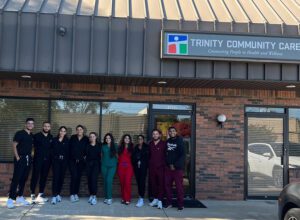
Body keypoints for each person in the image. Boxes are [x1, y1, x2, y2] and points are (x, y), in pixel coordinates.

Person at [6, 118, 35, 209]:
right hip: (21, 158)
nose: (30, 125)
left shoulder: (31, 135)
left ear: (33, 125)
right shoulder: (20, 133)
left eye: (32, 123)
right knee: (16, 178)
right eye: (29, 123)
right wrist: (18, 157)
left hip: (28, 159)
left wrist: (31, 156)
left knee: (24, 178)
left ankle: (20, 197)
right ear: (25, 124)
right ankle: (10, 199)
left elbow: (32, 148)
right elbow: (14, 145)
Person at [30, 121, 53, 204]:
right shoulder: (36, 136)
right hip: (37, 160)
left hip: (47, 161)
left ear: (50, 128)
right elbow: (32, 148)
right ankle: (32, 194)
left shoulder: (51, 137)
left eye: (48, 126)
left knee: (44, 177)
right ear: (43, 127)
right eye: (45, 126)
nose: (46, 128)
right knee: (35, 176)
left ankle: (40, 194)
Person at [164, 126, 185, 211]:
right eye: (170, 131)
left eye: (173, 131)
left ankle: (181, 205)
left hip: (177, 169)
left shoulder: (180, 141)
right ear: (168, 133)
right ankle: (169, 203)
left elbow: (182, 155)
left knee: (179, 187)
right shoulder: (168, 141)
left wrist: (174, 165)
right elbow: (166, 154)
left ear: (176, 132)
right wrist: (168, 164)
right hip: (168, 168)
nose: (172, 132)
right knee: (167, 186)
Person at [69, 125, 89, 202]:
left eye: (80, 129)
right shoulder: (73, 137)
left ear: (83, 130)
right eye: (77, 129)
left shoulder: (86, 139)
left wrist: (84, 157)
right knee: (74, 176)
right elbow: (70, 148)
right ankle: (72, 194)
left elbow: (88, 149)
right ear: (76, 131)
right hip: (72, 161)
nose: (79, 131)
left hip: (81, 162)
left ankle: (75, 193)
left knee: (78, 177)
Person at [51, 126, 69, 205]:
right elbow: (51, 150)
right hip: (56, 161)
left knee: (61, 178)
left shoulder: (67, 140)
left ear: (66, 133)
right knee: (56, 177)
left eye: (64, 131)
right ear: (59, 131)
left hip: (64, 161)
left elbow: (68, 151)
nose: (62, 132)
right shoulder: (54, 140)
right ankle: (54, 196)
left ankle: (58, 194)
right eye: (61, 131)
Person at [148, 129, 166, 209]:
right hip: (152, 167)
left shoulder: (163, 144)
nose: (155, 135)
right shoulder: (150, 144)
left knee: (160, 184)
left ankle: (160, 201)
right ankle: (155, 199)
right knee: (153, 184)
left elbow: (166, 156)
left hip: (160, 168)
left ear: (159, 135)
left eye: (156, 134)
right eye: (153, 134)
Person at [132, 135, 149, 207]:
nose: (140, 140)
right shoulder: (136, 147)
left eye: (141, 139)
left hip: (143, 167)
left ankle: (141, 198)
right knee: (138, 182)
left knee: (142, 182)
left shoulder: (146, 147)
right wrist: (137, 160)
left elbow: (147, 157)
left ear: (143, 140)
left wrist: (141, 161)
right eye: (138, 139)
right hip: (137, 168)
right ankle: (140, 196)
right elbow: (133, 157)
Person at [117, 134, 134, 205]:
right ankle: (123, 198)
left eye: (128, 138)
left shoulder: (132, 147)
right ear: (123, 139)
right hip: (121, 167)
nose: (127, 139)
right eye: (125, 138)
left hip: (128, 168)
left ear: (130, 140)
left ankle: (127, 198)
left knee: (127, 182)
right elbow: (117, 157)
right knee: (122, 183)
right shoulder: (120, 147)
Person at [101, 133, 117, 205]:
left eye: (109, 138)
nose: (108, 139)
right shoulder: (103, 146)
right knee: (105, 181)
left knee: (109, 180)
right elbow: (101, 156)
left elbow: (118, 156)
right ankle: (106, 197)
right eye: (106, 138)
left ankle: (110, 198)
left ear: (111, 139)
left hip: (112, 166)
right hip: (104, 166)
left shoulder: (115, 146)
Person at [86, 132, 101, 205]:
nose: (92, 138)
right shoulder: (87, 146)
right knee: (89, 180)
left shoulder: (99, 145)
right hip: (88, 165)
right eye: (90, 137)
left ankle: (94, 196)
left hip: (96, 165)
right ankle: (91, 195)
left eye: (93, 136)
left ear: (96, 137)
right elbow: (85, 155)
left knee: (94, 179)